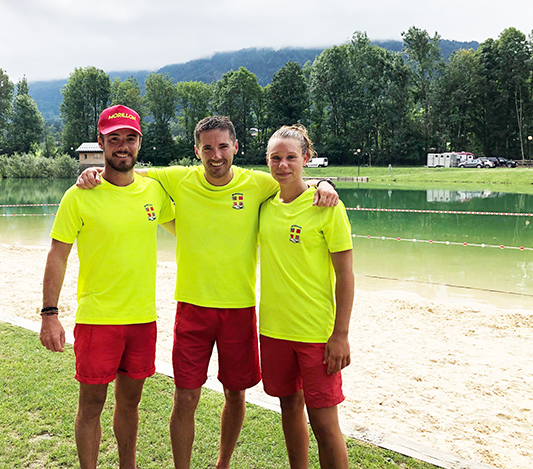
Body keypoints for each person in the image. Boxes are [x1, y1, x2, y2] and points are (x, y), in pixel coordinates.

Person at [77, 116, 339, 469]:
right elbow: (127, 173)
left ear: (236, 148)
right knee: (185, 397)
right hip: (192, 308)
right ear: (196, 150)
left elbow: (295, 181)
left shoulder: (259, 184)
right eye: (207, 148)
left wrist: (326, 182)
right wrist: (91, 172)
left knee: (236, 394)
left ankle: (222, 464)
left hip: (239, 309)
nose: (216, 155)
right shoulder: (178, 179)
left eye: (223, 147)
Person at [40, 104, 175, 469]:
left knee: (130, 405)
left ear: (139, 143)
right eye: (114, 138)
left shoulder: (154, 193)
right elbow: (58, 255)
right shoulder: (78, 196)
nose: (122, 146)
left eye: (129, 138)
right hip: (98, 320)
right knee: (91, 406)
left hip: (142, 319)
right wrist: (49, 314)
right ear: (101, 142)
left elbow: (195, 222)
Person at [259, 125, 354, 469]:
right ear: (267, 160)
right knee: (288, 409)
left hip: (316, 334)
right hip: (273, 331)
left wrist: (340, 334)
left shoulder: (326, 206)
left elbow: (346, 276)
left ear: (306, 159)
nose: (283, 165)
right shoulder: (264, 206)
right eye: (275, 157)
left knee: (325, 424)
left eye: (291, 157)